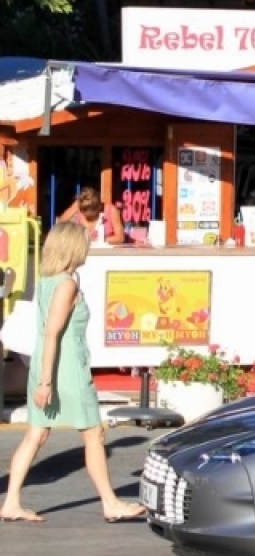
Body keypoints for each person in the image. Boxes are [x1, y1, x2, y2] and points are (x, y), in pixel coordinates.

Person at [0, 223, 146, 524]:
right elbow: (53, 333)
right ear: (73, 248)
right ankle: (110, 502)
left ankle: (12, 501)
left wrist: (42, 377)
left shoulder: (48, 281)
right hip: (66, 369)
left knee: (36, 434)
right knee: (94, 434)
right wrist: (46, 382)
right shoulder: (67, 284)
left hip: (46, 365)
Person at [58, 187, 125, 245]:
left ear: (99, 207)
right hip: (81, 251)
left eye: (92, 215)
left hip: (105, 252)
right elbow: (60, 225)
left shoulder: (111, 211)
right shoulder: (78, 207)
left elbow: (120, 238)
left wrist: (96, 240)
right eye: (84, 213)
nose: (88, 217)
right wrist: (74, 208)